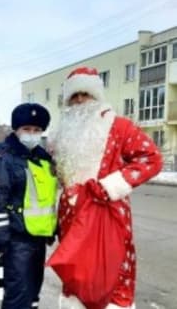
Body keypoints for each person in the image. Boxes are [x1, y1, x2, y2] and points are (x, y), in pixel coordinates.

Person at [48, 67, 163, 309]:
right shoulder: (61, 135)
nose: (80, 101)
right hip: (72, 221)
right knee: (76, 280)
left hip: (107, 216)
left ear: (97, 96)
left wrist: (110, 186)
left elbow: (151, 159)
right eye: (74, 96)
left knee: (112, 281)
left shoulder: (119, 126)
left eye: (85, 94)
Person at [0, 103, 57, 309]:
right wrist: (0, 242)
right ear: (16, 130)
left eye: (36, 130)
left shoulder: (43, 159)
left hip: (38, 239)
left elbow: (47, 199)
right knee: (17, 298)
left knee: (32, 295)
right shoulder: (4, 157)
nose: (31, 134)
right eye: (26, 129)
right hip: (14, 240)